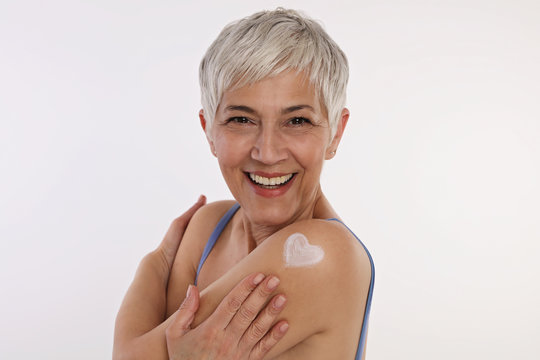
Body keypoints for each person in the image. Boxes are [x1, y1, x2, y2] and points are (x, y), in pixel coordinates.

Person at [113, 8, 374, 360]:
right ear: (209, 129)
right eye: (241, 119)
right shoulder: (208, 228)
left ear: (335, 133)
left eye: (297, 120)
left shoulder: (323, 254)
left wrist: (157, 265)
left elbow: (128, 355)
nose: (267, 152)